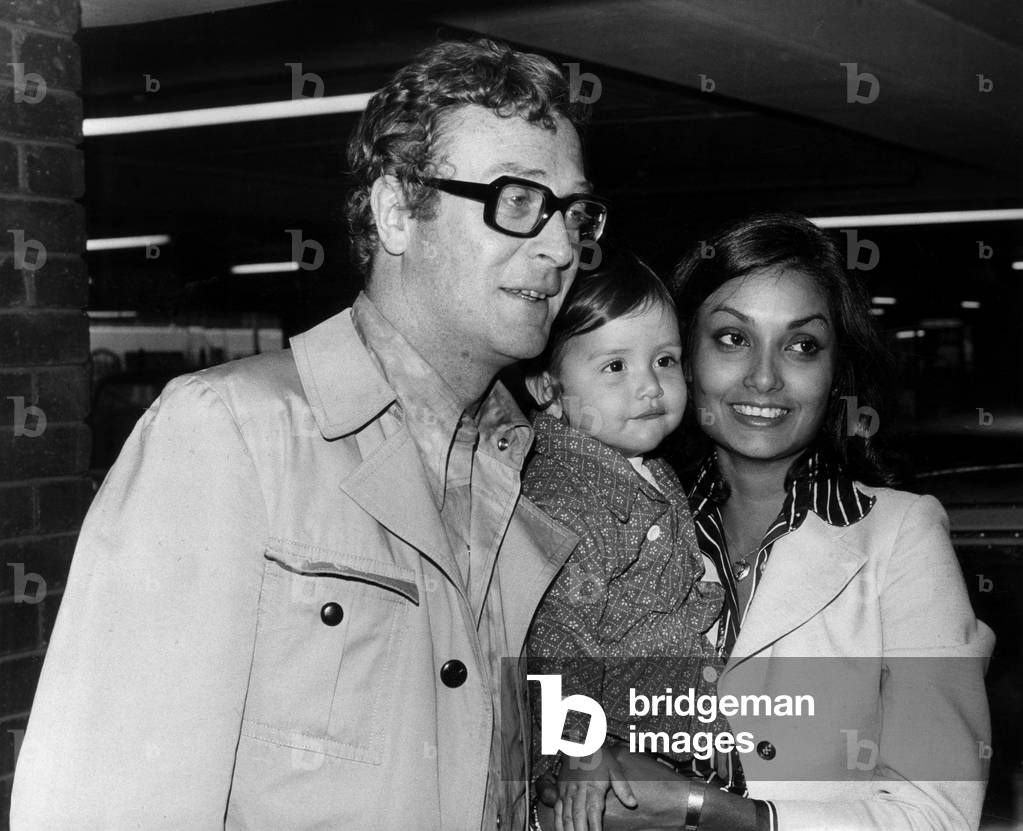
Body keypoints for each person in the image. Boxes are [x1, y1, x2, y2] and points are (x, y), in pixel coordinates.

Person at [11, 38, 611, 829]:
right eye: (518, 200)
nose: (562, 246)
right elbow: (101, 806)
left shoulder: (517, 468)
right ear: (397, 211)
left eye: (573, 211)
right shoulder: (230, 432)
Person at [577, 211, 992, 831]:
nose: (765, 378)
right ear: (680, 358)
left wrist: (706, 809)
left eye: (802, 345)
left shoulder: (900, 537)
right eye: (732, 339)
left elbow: (936, 814)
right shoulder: (621, 526)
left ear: (834, 372)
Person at [521, 253, 728, 831]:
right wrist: (579, 748)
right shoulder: (572, 496)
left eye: (665, 360)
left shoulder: (641, 465)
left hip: (656, 739)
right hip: (609, 756)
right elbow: (558, 635)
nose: (650, 385)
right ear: (547, 387)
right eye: (614, 366)